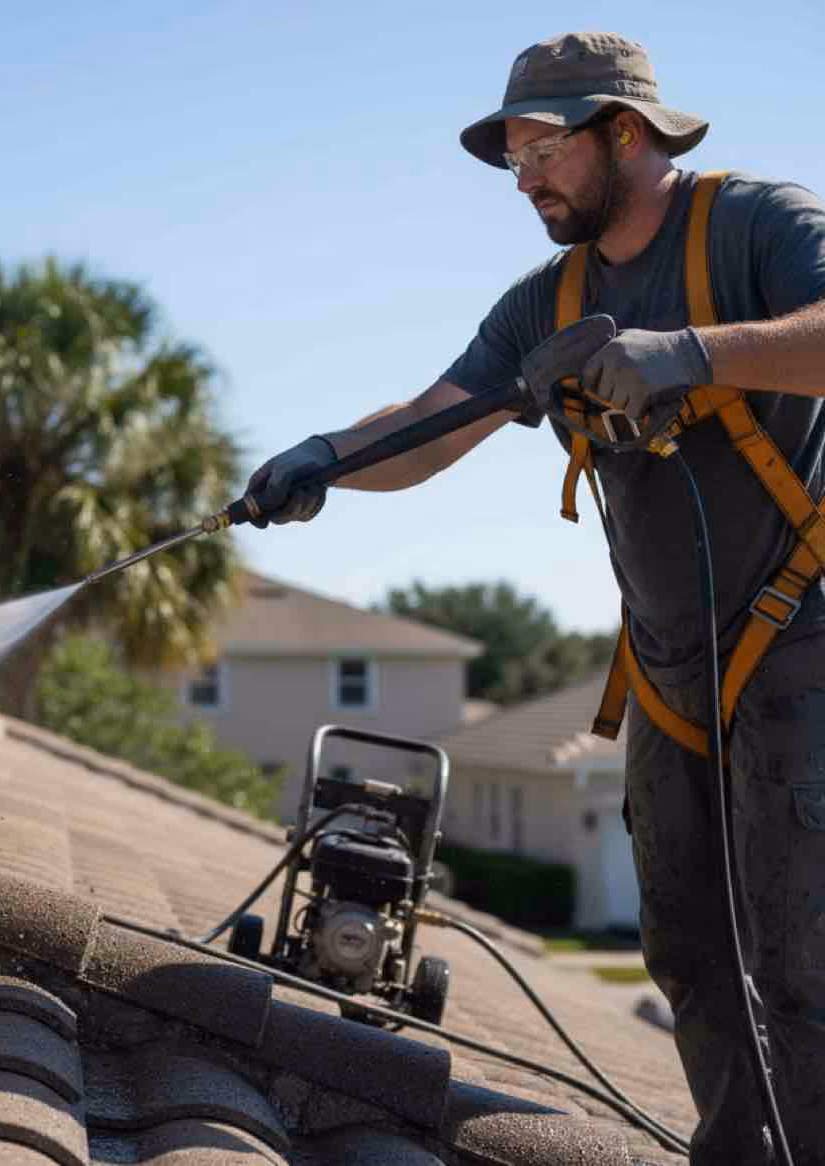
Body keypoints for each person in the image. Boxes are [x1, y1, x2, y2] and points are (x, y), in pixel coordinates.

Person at [248, 31, 825, 1166]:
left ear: (624, 132)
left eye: (541, 152)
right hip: (665, 675)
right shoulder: (546, 300)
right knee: (688, 952)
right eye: (511, 162)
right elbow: (433, 424)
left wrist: (692, 352)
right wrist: (322, 455)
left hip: (802, 642)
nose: (526, 183)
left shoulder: (757, 226)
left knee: (805, 963)